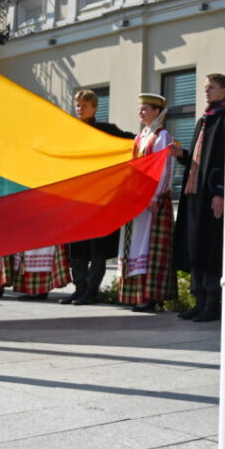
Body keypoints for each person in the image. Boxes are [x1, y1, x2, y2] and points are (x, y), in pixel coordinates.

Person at [58, 89, 133, 305]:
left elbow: (132, 142)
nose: (79, 108)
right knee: (76, 247)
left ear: (94, 107)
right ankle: (79, 287)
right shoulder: (70, 132)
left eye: (83, 104)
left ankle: (91, 290)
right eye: (77, 104)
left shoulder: (106, 130)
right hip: (77, 198)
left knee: (97, 247)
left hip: (100, 198)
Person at [171, 74, 225, 321]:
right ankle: (198, 299)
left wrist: (220, 192)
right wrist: (182, 153)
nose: (206, 92)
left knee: (209, 248)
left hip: (211, 194)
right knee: (195, 246)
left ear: (224, 90)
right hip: (194, 194)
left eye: (211, 88)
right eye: (205, 88)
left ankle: (211, 303)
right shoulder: (204, 119)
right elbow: (198, 158)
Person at [116, 93, 176, 312]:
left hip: (153, 200)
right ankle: (134, 294)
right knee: (134, 245)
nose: (140, 113)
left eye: (145, 109)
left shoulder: (163, 136)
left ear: (157, 112)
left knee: (148, 246)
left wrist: (153, 197)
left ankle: (150, 296)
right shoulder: (141, 136)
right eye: (140, 109)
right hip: (137, 199)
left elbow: (163, 169)